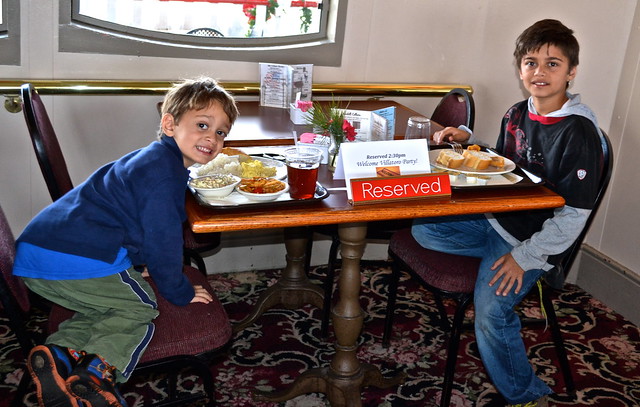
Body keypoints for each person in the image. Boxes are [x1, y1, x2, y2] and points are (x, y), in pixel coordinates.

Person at [12, 77, 239, 407]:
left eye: (221, 132)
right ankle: (96, 374)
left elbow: (138, 227)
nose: (212, 137)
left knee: (112, 307)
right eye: (202, 124)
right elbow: (163, 243)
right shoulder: (163, 175)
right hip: (76, 256)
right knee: (140, 307)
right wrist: (179, 291)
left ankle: (58, 354)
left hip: (41, 253)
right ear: (169, 124)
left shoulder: (153, 159)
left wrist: (139, 267)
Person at [416, 19, 603, 407]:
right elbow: (508, 167)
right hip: (497, 220)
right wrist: (473, 143)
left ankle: (525, 394)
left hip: (532, 239)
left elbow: (574, 214)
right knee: (423, 230)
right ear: (520, 70)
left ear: (572, 71)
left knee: (489, 312)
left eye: (553, 64)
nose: (540, 72)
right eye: (531, 62)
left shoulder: (578, 132)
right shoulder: (518, 113)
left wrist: (526, 257)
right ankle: (496, 260)